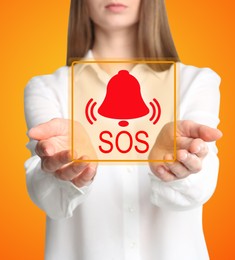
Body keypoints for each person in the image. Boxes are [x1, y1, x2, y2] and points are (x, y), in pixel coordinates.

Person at [24, 0, 222, 259]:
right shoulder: (48, 88)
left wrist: (175, 166)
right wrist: (67, 171)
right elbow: (50, 201)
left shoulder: (195, 82)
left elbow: (200, 187)